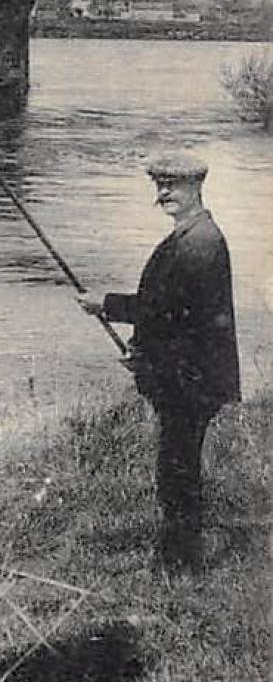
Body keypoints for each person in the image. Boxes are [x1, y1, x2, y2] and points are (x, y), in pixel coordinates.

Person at [76, 151, 240, 573]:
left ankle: (180, 563)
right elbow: (174, 317)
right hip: (184, 373)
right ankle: (178, 556)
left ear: (196, 187)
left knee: (177, 471)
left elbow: (166, 310)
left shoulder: (200, 243)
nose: (164, 193)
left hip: (191, 380)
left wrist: (106, 304)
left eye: (174, 186)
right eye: (159, 185)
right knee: (176, 466)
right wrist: (144, 353)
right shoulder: (189, 235)